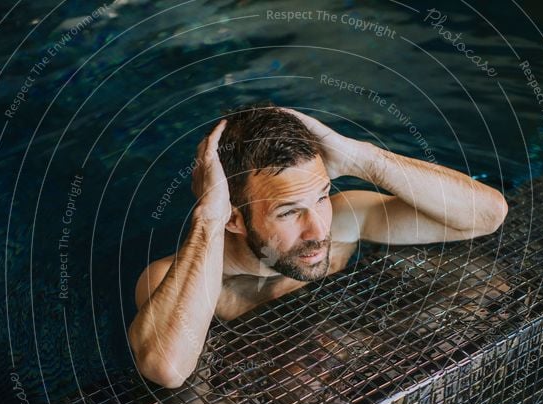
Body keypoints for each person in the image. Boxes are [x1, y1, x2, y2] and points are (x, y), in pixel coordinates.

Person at [128, 103, 507, 388]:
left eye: (322, 197)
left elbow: (487, 215)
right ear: (234, 218)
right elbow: (168, 368)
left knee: (490, 287)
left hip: (364, 357)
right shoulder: (174, 277)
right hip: (271, 396)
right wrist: (208, 216)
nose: (317, 231)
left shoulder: (342, 221)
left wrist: (364, 159)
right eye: (289, 212)